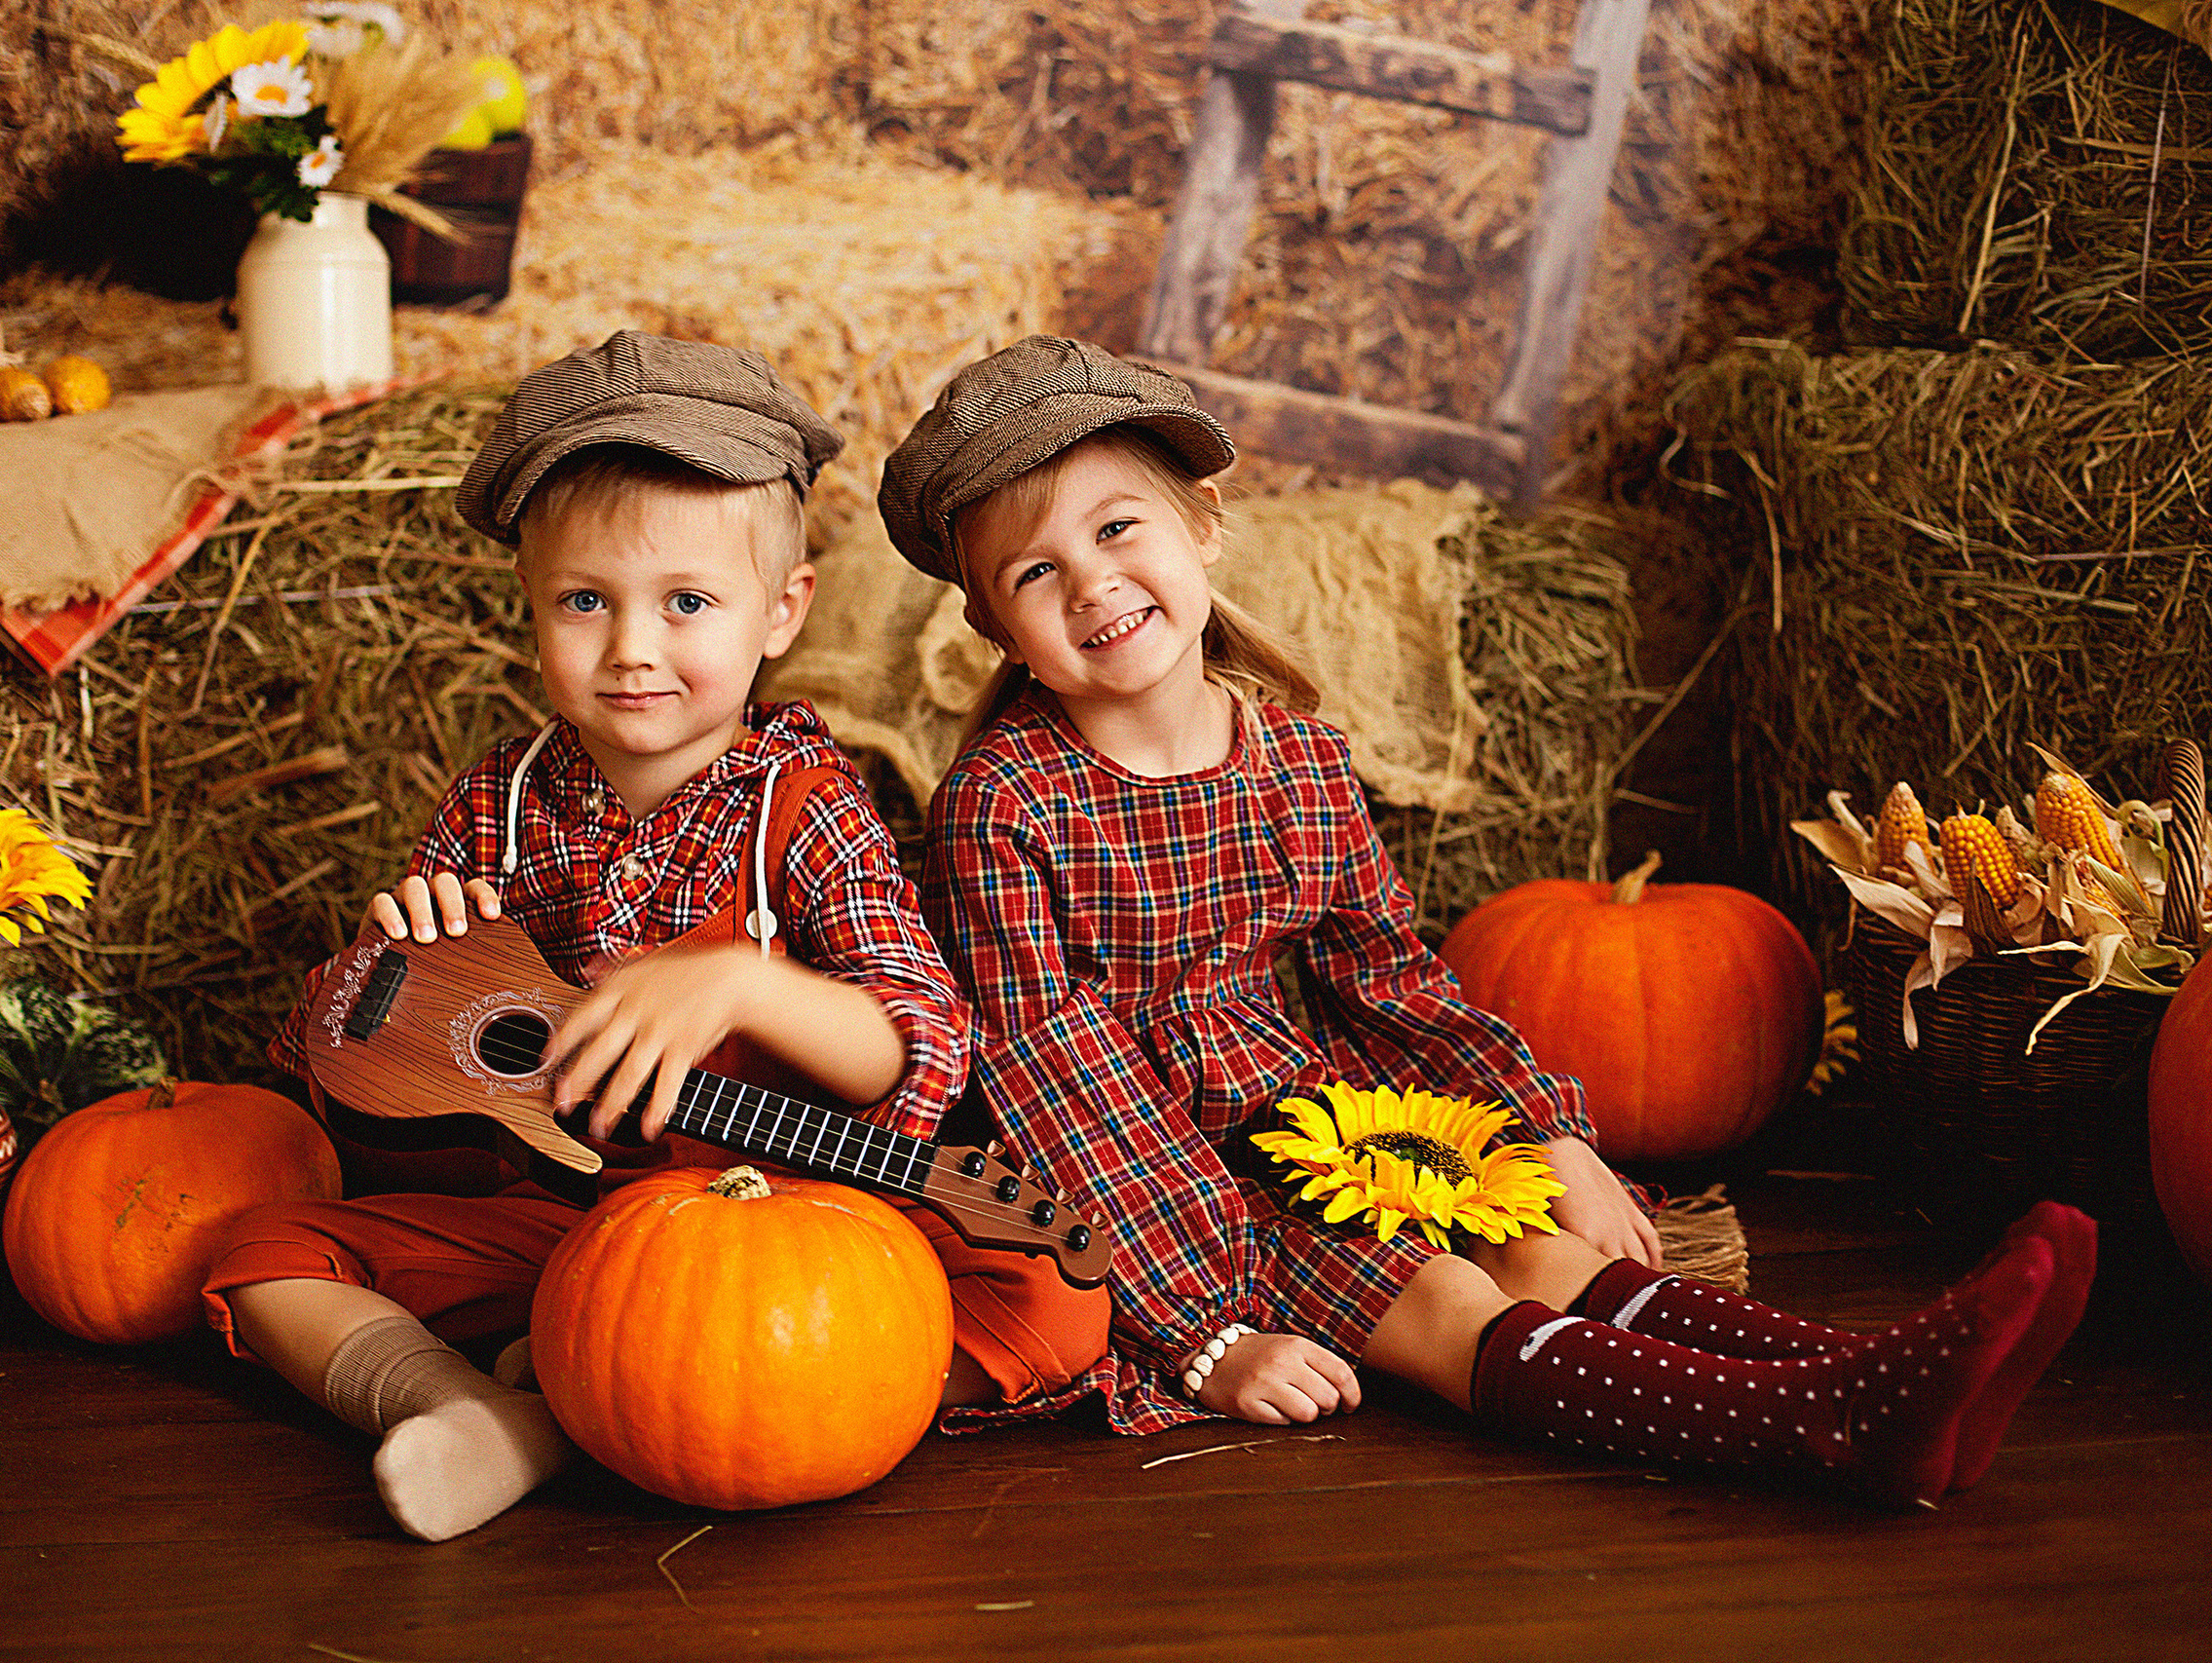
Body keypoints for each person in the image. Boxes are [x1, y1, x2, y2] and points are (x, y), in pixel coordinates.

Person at [884, 336, 2093, 1507]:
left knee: (1542, 1249)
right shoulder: (1005, 805)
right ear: (997, 631)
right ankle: (1823, 1425)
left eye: (1115, 528)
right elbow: (1055, 1076)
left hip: (1316, 1119)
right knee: (1447, 1303)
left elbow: (1390, 980)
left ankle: (1860, 1376)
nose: (1091, 581)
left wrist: (1542, 1132)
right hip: (1157, 1188)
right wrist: (1208, 1336)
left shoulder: (1296, 759)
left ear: (1203, 528)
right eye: (1034, 573)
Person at [204, 332, 1109, 1542]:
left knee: (1050, 1299)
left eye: (686, 603)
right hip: (568, 1225)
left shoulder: (805, 798)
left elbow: (921, 1048)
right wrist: (381, 990)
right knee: (263, 1251)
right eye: (586, 601)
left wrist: (741, 983)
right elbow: (350, 1072)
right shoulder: (500, 802)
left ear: (782, 612)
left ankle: (640, 1403)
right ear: (530, 609)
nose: (632, 646)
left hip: (788, 1235)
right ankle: (476, 1414)